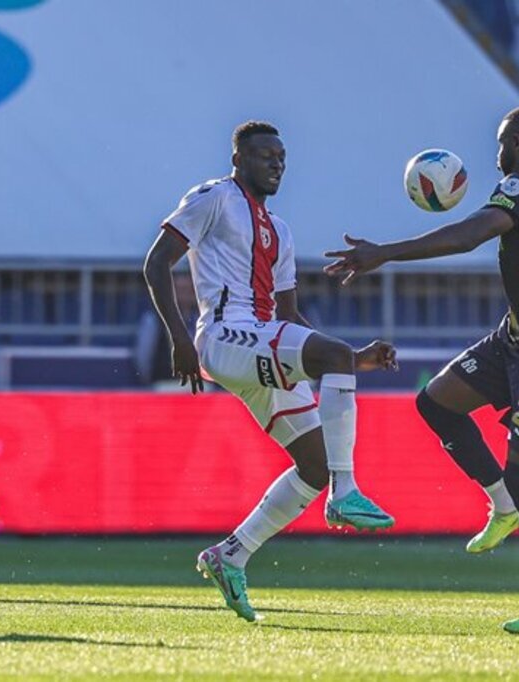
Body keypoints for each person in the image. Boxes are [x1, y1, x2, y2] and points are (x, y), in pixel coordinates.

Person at [324, 105, 519, 635]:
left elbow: (470, 235)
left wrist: (386, 254)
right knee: (436, 402)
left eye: (499, 145)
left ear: (517, 143)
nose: (495, 157)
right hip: (517, 338)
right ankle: (502, 502)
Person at [143, 120, 398, 623]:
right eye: (265, 155)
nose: (276, 163)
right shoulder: (214, 197)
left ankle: (231, 555)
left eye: (281, 157)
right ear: (238, 159)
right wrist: (179, 338)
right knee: (331, 401)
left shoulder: (279, 230)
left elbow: (289, 318)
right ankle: (345, 491)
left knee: (314, 466)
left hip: (260, 343)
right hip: (224, 337)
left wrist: (353, 359)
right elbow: (156, 262)